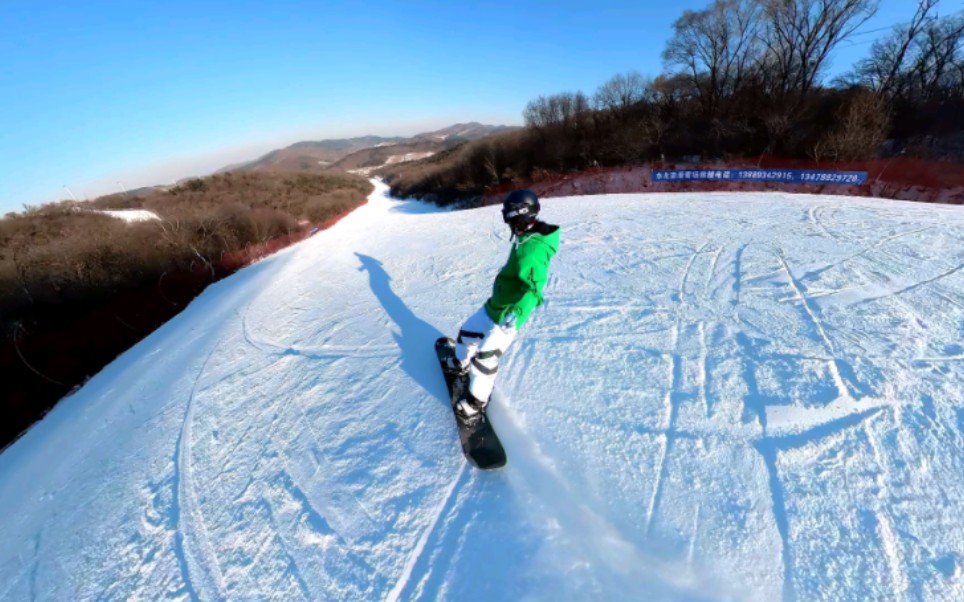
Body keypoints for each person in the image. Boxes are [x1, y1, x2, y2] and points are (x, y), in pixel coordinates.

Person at [447, 189, 560, 424]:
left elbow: (534, 291)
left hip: (507, 316)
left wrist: (516, 316)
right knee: (466, 334)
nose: (509, 223)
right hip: (494, 306)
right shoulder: (525, 235)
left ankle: (476, 404)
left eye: (511, 218)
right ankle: (460, 364)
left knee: (484, 360)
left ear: (522, 215)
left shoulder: (534, 249)